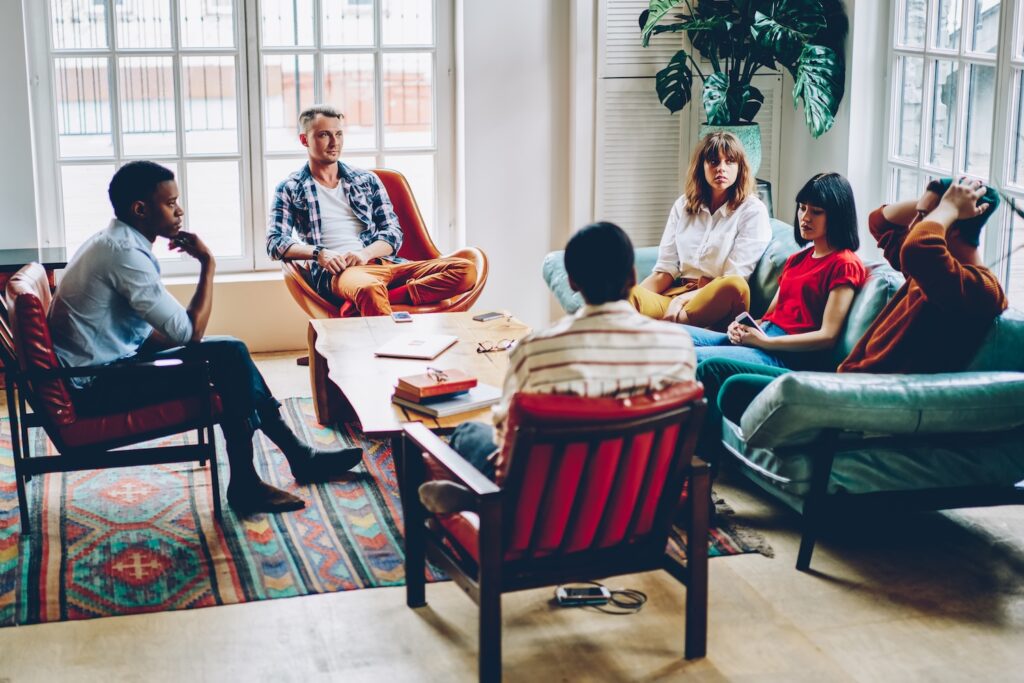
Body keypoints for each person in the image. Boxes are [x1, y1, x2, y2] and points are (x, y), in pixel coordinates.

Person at [49, 161, 364, 514]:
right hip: (95, 388)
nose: (179, 211)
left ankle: (292, 459)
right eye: (170, 203)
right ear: (140, 209)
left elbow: (147, 332)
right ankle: (256, 478)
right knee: (229, 357)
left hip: (102, 370)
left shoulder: (113, 243)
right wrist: (208, 263)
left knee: (231, 355)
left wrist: (205, 354)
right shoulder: (125, 255)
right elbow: (189, 333)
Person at [696, 176, 1007, 462]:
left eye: (926, 219)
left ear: (949, 227)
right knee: (716, 372)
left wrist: (947, 208)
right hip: (844, 383)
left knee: (723, 379)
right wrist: (932, 200)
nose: (916, 224)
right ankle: (691, 470)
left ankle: (698, 476)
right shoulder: (933, 277)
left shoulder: (976, 288)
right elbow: (879, 222)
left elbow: (918, 249)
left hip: (863, 397)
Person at [417, 222, 697, 513]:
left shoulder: (534, 350)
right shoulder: (678, 346)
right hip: (636, 503)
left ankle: (478, 502)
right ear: (633, 276)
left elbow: (505, 439)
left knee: (468, 433)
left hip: (548, 508)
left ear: (573, 282)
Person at [267, 104, 476, 316]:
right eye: (324, 135)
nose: (334, 142)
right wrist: (319, 254)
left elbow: (393, 233)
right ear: (305, 140)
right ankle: (391, 348)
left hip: (385, 264)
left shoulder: (366, 180)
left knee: (466, 271)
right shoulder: (291, 188)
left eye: (339, 134)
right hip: (342, 273)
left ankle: (375, 300)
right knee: (368, 288)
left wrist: (364, 253)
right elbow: (274, 242)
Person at [684, 173, 867, 371]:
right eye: (802, 208)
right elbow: (769, 316)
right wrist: (740, 328)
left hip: (785, 355)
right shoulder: (797, 260)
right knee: (670, 335)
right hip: (764, 338)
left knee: (694, 358)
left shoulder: (844, 264)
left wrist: (765, 343)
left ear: (837, 216)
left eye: (816, 211)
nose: (805, 217)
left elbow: (827, 337)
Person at [629, 131, 772, 329]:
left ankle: (670, 327)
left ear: (740, 168)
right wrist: (628, 300)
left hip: (714, 301)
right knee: (621, 295)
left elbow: (734, 276)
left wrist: (680, 303)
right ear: (701, 166)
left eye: (729, 161)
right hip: (674, 296)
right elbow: (665, 271)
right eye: (713, 161)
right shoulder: (683, 205)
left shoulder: (753, 210)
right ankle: (673, 326)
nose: (721, 168)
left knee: (735, 286)